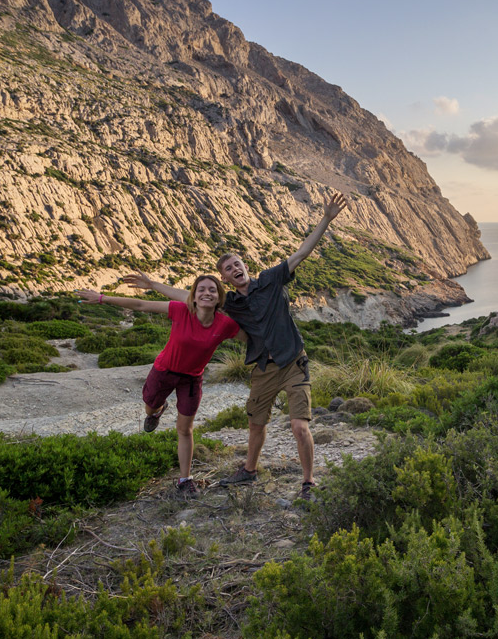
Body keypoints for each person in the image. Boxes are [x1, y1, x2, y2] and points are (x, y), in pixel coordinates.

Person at [122, 191, 348, 501]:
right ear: (226, 279)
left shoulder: (271, 279)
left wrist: (326, 219)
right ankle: (249, 471)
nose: (235, 269)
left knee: (299, 426)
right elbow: (185, 296)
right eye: (228, 269)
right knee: (256, 424)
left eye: (237, 264)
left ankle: (308, 482)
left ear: (245, 265)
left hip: (293, 362)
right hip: (264, 369)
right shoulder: (230, 304)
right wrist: (152, 285)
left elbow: (301, 253)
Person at [74, 275, 245, 498]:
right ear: (193, 296)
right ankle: (158, 410)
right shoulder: (180, 310)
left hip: (192, 379)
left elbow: (250, 339)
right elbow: (140, 304)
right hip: (164, 371)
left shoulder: (225, 324)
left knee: (185, 429)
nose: (207, 293)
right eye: (201, 289)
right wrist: (101, 299)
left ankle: (185, 480)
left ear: (219, 297)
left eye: (212, 290)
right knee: (149, 407)